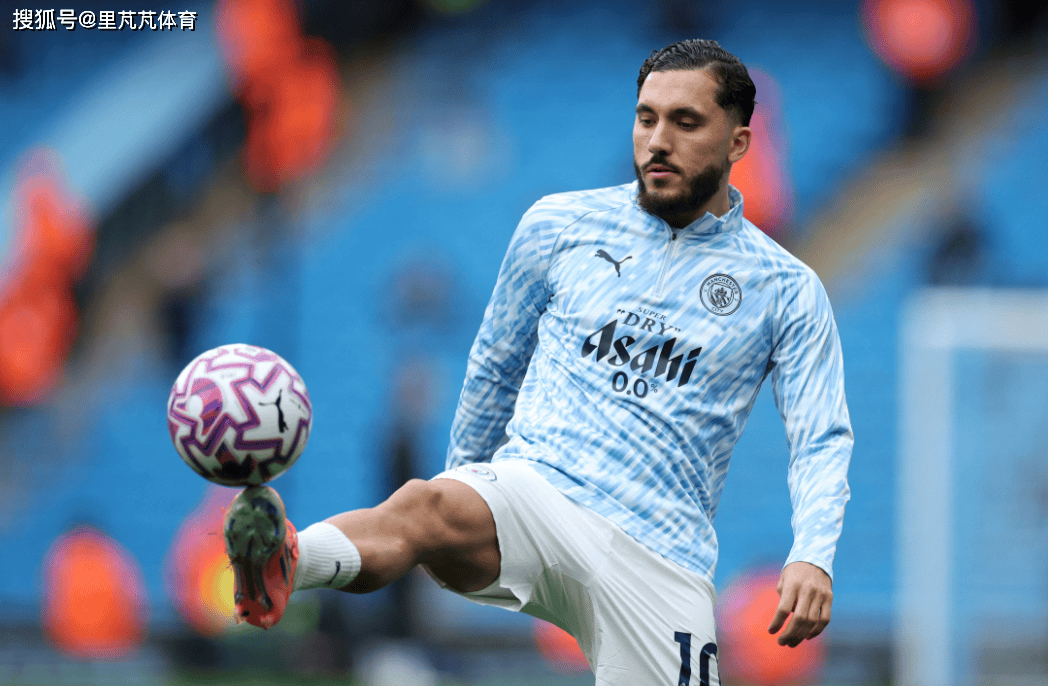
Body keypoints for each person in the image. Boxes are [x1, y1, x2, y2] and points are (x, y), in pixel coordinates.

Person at [223, 38, 852, 685]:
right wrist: (464, 489)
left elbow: (821, 437)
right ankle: (286, 562)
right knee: (423, 505)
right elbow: (495, 366)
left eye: (685, 122)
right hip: (540, 495)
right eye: (647, 118)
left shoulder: (787, 288)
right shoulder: (558, 226)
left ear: (738, 143)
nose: (659, 140)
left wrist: (813, 554)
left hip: (658, 554)